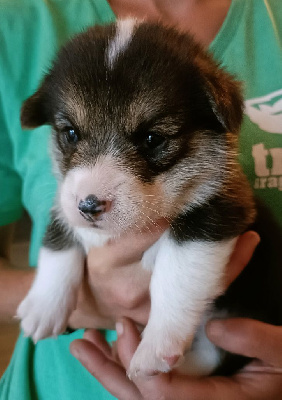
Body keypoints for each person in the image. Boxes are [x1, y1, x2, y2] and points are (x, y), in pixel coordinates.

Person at [0, 0, 281, 399]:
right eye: (73, 136)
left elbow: (214, 225)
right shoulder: (18, 23)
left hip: (234, 350)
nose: (91, 191)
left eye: (151, 140)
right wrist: (63, 292)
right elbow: (62, 228)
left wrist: (168, 325)